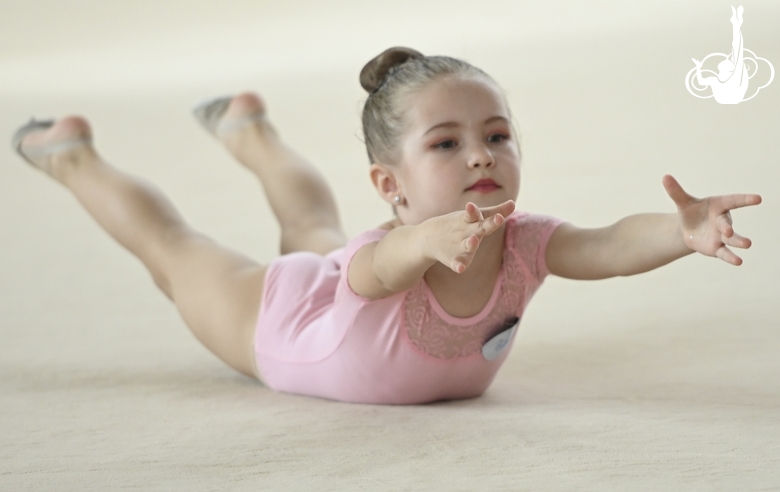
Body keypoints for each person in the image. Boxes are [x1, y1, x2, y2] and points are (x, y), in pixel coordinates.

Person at [12, 47, 762, 405]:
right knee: (175, 254)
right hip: (281, 324)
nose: (480, 155)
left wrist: (678, 232)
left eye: (497, 135)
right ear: (390, 186)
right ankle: (70, 154)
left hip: (335, 294)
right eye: (446, 143)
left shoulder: (523, 240)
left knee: (310, 222)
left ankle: (252, 134)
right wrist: (421, 242)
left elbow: (603, 245)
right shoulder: (384, 250)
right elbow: (376, 270)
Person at [692, 5, 749, 104]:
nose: (724, 60)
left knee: (737, 51)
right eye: (728, 61)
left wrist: (698, 68)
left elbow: (737, 49)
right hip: (730, 98)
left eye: (727, 61)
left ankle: (736, 23)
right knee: (737, 51)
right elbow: (701, 82)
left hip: (732, 97)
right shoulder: (717, 80)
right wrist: (698, 67)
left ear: (729, 69)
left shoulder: (730, 78)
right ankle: (736, 23)